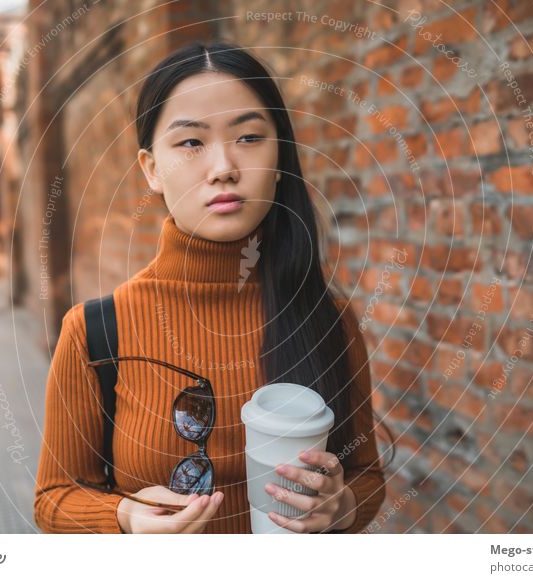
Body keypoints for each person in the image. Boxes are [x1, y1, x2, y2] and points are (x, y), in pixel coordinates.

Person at [34, 41, 394, 534]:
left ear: (279, 155)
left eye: (248, 137)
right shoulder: (95, 331)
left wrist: (342, 507)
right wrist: (123, 518)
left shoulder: (325, 317)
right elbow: (54, 500)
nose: (223, 165)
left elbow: (366, 477)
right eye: (190, 142)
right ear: (151, 168)